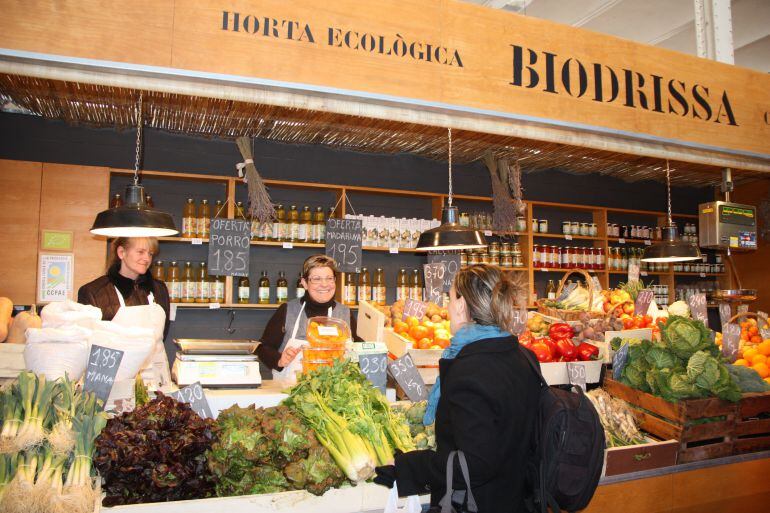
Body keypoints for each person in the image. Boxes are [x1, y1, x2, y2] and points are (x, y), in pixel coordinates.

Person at [374, 264, 540, 513]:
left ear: (462, 305)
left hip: (479, 503)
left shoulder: (470, 370)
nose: (447, 307)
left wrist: (409, 468)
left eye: (450, 298)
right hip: (517, 498)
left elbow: (474, 464)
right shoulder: (524, 356)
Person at [77, 237, 171, 385]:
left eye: (150, 253)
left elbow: (163, 333)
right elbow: (88, 345)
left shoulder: (159, 289)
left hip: (156, 381)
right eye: (140, 252)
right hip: (115, 383)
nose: (146, 258)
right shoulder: (94, 292)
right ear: (121, 252)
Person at [257, 254, 359, 379]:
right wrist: (279, 360)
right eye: (316, 279)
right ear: (304, 283)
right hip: (292, 392)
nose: (324, 284)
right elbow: (263, 347)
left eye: (329, 278)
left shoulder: (345, 313)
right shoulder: (288, 310)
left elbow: (358, 348)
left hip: (335, 394)